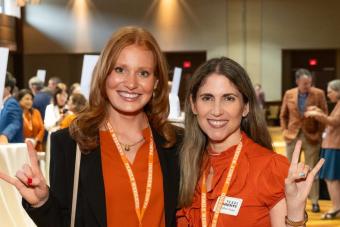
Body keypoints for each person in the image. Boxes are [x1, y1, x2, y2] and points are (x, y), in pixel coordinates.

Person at [0, 26, 181, 227]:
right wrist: (43, 203)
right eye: (120, 70)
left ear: (156, 82)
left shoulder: (176, 144)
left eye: (144, 73)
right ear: (104, 74)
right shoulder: (70, 144)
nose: (131, 83)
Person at [177, 57, 324, 226]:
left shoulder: (271, 168)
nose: (216, 110)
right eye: (207, 98)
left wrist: (296, 213)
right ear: (193, 104)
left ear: (245, 106)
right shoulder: (181, 164)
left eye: (229, 98)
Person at [280, 68, 327, 213]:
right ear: (297, 81)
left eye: (310, 83)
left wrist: (318, 134)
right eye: (305, 83)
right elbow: (283, 115)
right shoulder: (289, 94)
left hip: (312, 137)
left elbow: (324, 114)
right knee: (289, 170)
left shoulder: (318, 93)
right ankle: (288, 200)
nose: (308, 86)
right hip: (292, 136)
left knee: (312, 170)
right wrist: (285, 131)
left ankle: (314, 201)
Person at [305, 79, 340, 219]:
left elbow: (334, 121)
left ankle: (336, 206)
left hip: (334, 146)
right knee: (332, 179)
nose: (328, 94)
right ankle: (337, 205)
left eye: (330, 92)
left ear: (338, 91)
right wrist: (318, 110)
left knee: (331, 179)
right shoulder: (337, 104)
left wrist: (316, 114)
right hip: (331, 145)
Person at [0, 72, 23, 144]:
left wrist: (5, 135)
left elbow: (15, 123)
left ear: (8, 88)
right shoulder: (3, 103)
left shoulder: (11, 103)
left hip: (10, 146)